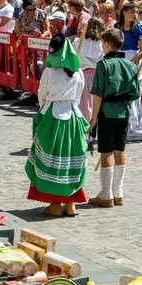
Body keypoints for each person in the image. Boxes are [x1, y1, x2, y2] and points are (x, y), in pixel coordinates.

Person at [26, 33, 89, 216]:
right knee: (71, 157)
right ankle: (71, 203)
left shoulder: (50, 70)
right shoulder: (77, 72)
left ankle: (55, 203)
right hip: (73, 116)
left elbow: (42, 93)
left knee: (52, 157)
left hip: (53, 116)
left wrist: (44, 106)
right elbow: (79, 93)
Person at [88, 28, 141, 208]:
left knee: (106, 151)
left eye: (102, 43)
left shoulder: (103, 64)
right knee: (120, 150)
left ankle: (106, 194)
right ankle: (118, 193)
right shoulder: (129, 65)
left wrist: (93, 119)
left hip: (107, 111)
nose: (101, 46)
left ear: (108, 44)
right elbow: (135, 93)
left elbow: (97, 94)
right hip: (123, 112)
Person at [75, 17, 106, 120]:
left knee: (83, 102)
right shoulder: (101, 45)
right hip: (97, 75)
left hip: (81, 75)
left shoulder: (78, 42)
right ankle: (92, 126)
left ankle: (84, 126)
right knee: (95, 103)